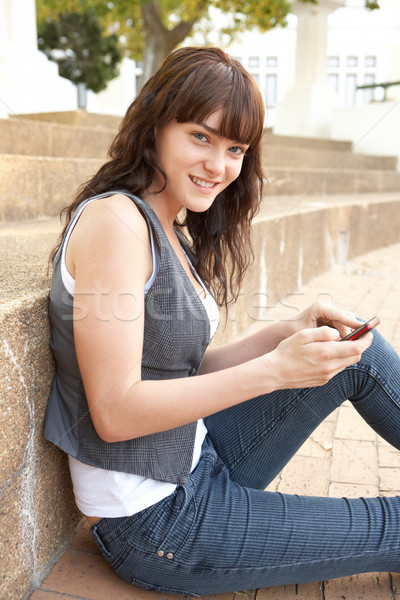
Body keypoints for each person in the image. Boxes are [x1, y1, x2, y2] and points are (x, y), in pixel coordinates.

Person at [44, 46, 400, 595]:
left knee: (359, 354)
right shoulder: (116, 222)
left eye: (235, 148)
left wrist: (283, 335)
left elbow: (177, 371)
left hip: (199, 455)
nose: (220, 166)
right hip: (158, 523)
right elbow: (113, 412)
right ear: (156, 124)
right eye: (201, 137)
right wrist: (277, 371)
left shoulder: (169, 228)